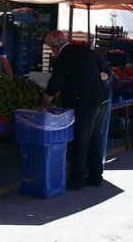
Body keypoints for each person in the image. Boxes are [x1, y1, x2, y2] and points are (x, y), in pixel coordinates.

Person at [41, 29, 111, 190]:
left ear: (55, 45)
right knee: (95, 138)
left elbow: (54, 85)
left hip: (85, 103)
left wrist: (44, 105)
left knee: (81, 140)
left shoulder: (64, 57)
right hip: (101, 99)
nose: (51, 50)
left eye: (50, 46)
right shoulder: (85, 50)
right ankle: (95, 176)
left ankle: (77, 180)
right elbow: (106, 70)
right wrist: (95, 80)